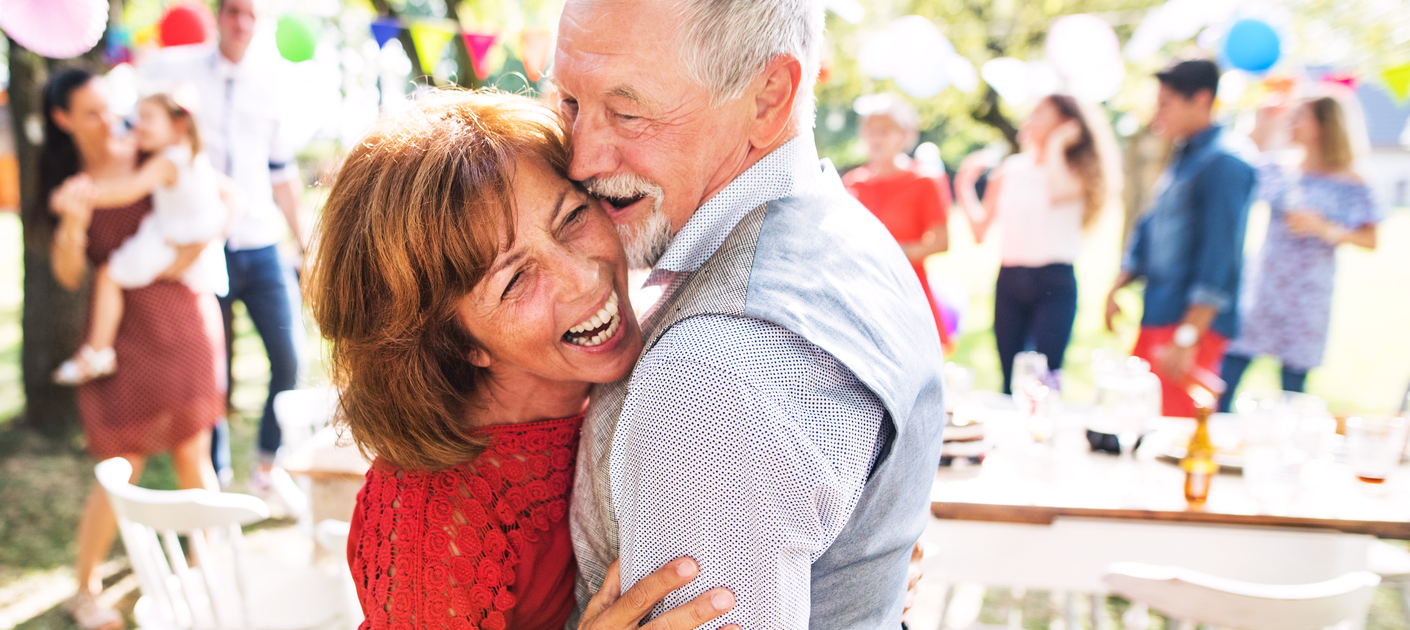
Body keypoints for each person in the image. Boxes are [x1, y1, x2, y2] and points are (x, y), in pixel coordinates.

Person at [555, 0, 947, 626]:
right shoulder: (849, 232)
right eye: (570, 104)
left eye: (629, 113)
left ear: (768, 98)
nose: (581, 159)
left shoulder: (712, 379)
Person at [311, 91, 738, 630]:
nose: (583, 276)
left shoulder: (635, 361)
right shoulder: (436, 522)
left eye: (573, 217)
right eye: (515, 279)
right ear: (457, 341)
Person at [42, 68, 227, 630]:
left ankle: (208, 564)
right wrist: (72, 225)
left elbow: (217, 206)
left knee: (193, 452)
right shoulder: (70, 181)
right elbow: (70, 274)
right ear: (64, 119)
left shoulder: (153, 156)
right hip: (120, 335)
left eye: (109, 107)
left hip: (179, 321)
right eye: (92, 112)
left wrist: (184, 255)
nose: (109, 121)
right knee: (120, 463)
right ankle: (86, 587)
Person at [141, 0, 306, 491]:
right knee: (208, 373)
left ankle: (267, 465)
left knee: (289, 357)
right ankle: (212, 477)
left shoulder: (271, 83)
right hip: (202, 248)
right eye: (234, 11)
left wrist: (305, 241)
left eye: (252, 15)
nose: (243, 24)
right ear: (218, 15)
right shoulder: (178, 71)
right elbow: (145, 133)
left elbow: (282, 172)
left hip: (259, 244)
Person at [1104, 59, 1257, 417]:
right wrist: (1120, 282)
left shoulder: (1226, 162)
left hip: (1188, 327)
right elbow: (1152, 225)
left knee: (1173, 433)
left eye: (1166, 104)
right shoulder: (1184, 153)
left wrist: (1187, 336)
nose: (1158, 114)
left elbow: (1221, 258)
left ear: (1202, 100)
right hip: (1159, 311)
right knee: (1139, 418)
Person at [1217, 95, 1382, 412]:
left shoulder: (1353, 179)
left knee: (1292, 389)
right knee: (1229, 372)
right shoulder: (1279, 167)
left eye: (1299, 117)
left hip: (1308, 293)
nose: (1291, 124)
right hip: (1264, 285)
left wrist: (1325, 228)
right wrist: (1262, 124)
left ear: (1323, 124)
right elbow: (1238, 168)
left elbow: (1370, 238)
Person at [54, 91, 231, 386]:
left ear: (176, 125)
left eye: (148, 118)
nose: (138, 125)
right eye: (137, 117)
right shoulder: (190, 156)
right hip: (178, 237)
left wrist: (82, 196)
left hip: (169, 240)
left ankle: (98, 352)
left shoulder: (167, 161)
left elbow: (129, 190)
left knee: (108, 275)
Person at [957, 94, 1119, 393]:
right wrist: (964, 187)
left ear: (1068, 124)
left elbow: (1058, 192)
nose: (1030, 120)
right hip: (1009, 280)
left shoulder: (1076, 172)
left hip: (1053, 282)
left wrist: (1056, 145)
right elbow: (980, 232)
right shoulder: (1010, 170)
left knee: (1046, 378)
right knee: (1009, 378)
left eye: (1041, 114)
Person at [842, 94, 953, 350]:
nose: (876, 137)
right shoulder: (852, 182)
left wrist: (892, 253)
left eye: (884, 130)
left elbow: (941, 242)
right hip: (864, 293)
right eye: (870, 131)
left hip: (907, 293)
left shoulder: (924, 180)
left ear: (905, 134)